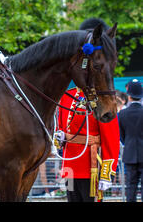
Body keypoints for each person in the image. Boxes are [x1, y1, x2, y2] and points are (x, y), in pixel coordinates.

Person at [55, 18, 120, 202]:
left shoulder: (101, 99)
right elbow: (61, 128)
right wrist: (59, 138)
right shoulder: (68, 97)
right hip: (69, 166)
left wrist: (107, 172)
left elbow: (111, 138)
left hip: (91, 165)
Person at [118, 79, 143, 202]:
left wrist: (128, 143)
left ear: (129, 96)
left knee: (130, 188)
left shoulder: (122, 114)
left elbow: (121, 136)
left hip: (129, 153)